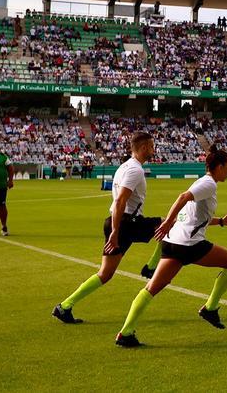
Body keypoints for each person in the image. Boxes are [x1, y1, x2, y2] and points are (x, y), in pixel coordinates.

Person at [114, 146, 227, 347]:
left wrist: (221, 222)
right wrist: (166, 223)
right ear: (218, 167)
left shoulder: (203, 184)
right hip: (189, 245)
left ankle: (126, 332)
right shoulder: (209, 184)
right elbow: (183, 197)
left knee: (151, 288)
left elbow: (194, 218)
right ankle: (210, 308)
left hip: (173, 243)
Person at [53, 132, 165, 325]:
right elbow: (121, 199)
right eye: (152, 146)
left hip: (118, 221)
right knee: (169, 224)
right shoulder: (135, 170)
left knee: (105, 274)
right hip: (125, 223)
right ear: (145, 147)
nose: (154, 150)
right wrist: (115, 231)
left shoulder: (125, 166)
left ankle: (64, 306)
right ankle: (151, 267)